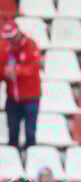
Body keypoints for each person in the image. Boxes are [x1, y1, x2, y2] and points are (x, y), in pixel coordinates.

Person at [0, 21, 41, 150]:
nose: (10, 40)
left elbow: (34, 67)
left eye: (12, 37)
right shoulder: (4, 48)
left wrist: (16, 71)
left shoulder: (30, 45)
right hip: (12, 98)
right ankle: (13, 162)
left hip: (30, 97)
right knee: (12, 132)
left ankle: (30, 159)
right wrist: (5, 72)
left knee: (30, 133)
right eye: (7, 38)